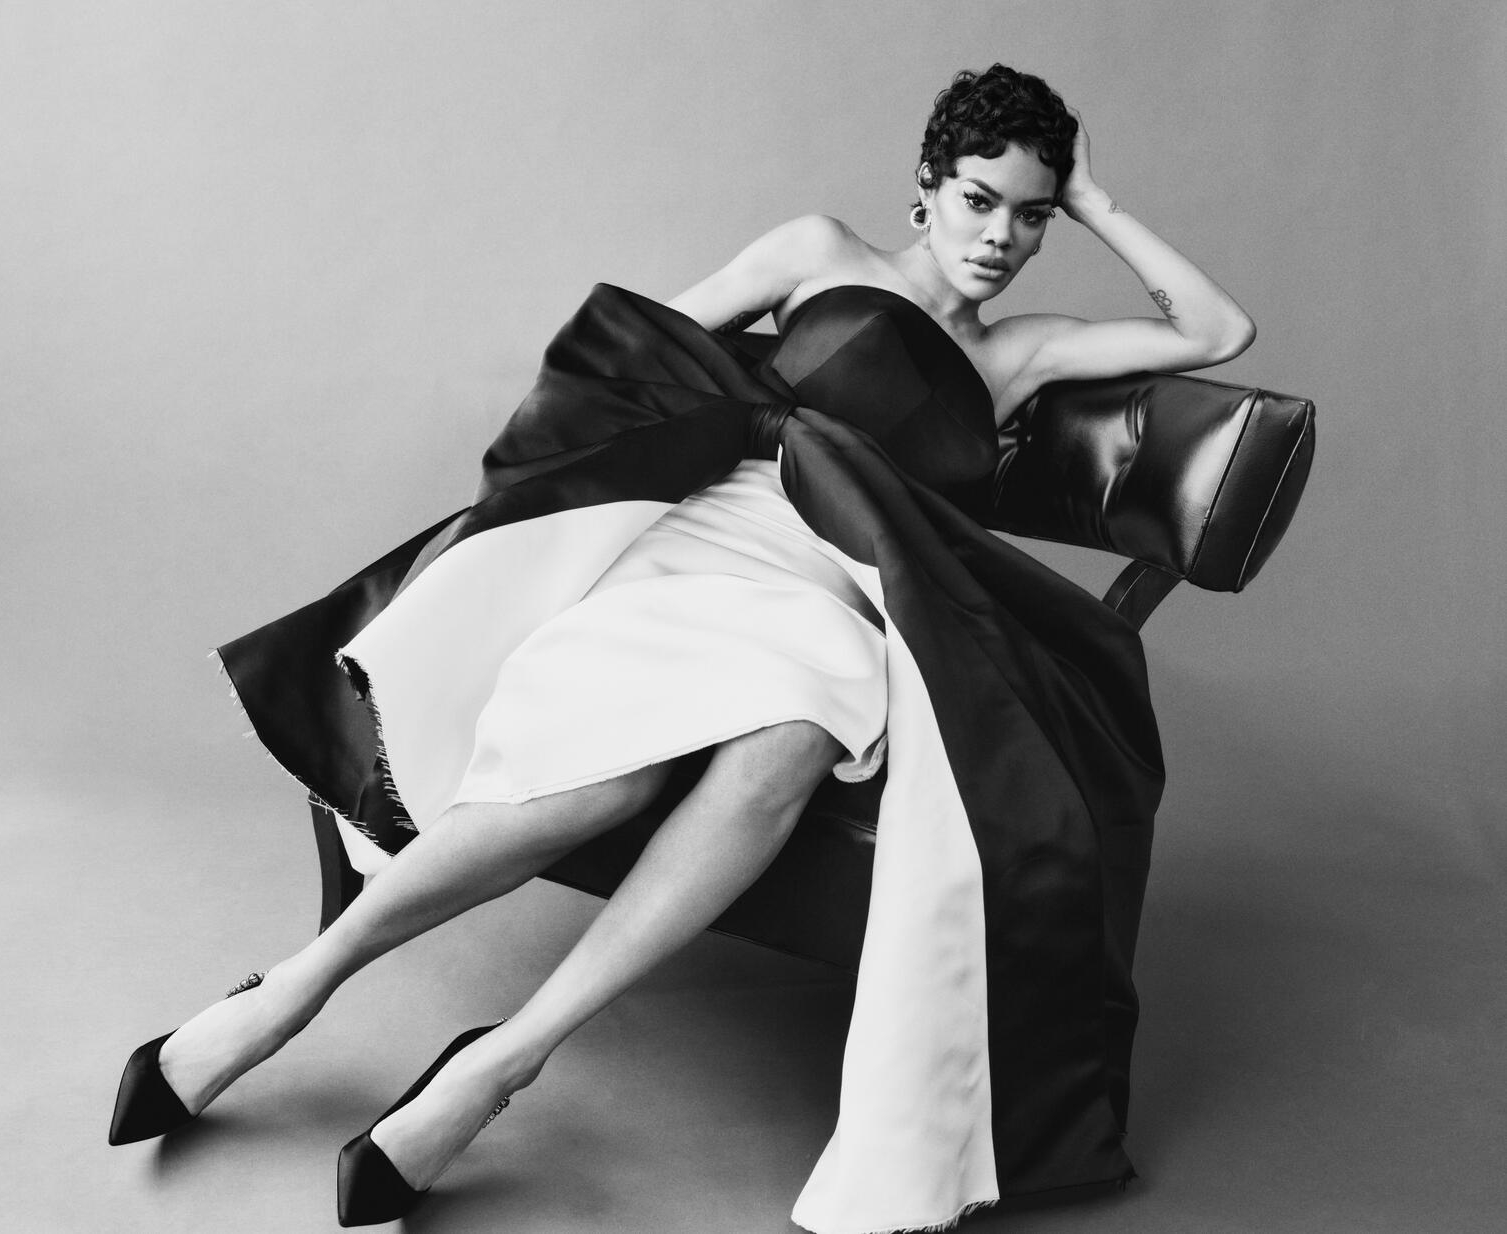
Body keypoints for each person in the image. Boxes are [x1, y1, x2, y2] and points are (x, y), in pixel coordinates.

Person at [109, 64, 1255, 1231]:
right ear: (926, 185)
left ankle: (504, 1058)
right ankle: (292, 990)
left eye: (1032, 215)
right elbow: (632, 362)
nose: (1001, 237)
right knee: (617, 774)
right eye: (978, 199)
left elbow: (1217, 331)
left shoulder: (1022, 356)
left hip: (838, 591)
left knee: (793, 735)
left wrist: (1096, 199)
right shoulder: (819, 250)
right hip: (712, 538)